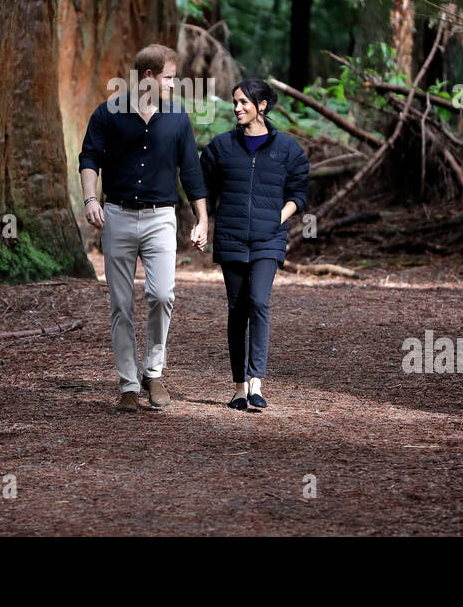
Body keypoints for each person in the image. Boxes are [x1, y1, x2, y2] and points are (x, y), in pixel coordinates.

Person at [79, 45, 209, 413]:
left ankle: (154, 372)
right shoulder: (108, 114)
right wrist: (91, 200)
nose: (174, 82)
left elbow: (192, 171)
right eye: (169, 76)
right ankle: (128, 384)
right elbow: (89, 157)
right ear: (149, 76)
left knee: (163, 294)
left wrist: (202, 218)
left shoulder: (178, 118)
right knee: (121, 304)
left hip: (160, 218)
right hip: (117, 215)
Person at [199, 78, 309, 411]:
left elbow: (300, 193)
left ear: (262, 106)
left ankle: (256, 383)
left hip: (268, 239)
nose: (237, 108)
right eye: (235, 102)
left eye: (244, 102)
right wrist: (202, 221)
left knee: (259, 302)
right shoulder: (220, 147)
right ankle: (237, 387)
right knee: (237, 309)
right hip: (231, 238)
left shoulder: (287, 149)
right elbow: (201, 188)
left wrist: (277, 218)